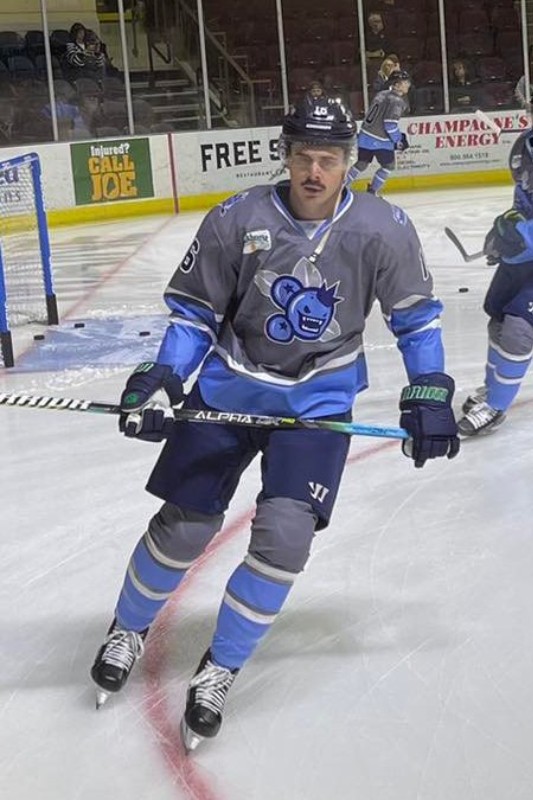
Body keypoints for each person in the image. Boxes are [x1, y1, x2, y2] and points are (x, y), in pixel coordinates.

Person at [90, 97, 460, 752]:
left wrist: (428, 390)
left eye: (328, 160)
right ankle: (128, 628)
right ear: (284, 156)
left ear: (349, 162)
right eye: (303, 157)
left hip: (317, 405)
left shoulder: (383, 228)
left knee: (285, 539)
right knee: (184, 526)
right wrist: (164, 377)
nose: (314, 172)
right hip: (229, 389)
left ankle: (221, 666)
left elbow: (415, 318)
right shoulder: (238, 217)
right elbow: (195, 314)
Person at [458, 129, 533, 436]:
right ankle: (493, 389)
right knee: (499, 317)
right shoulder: (527, 148)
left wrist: (518, 240)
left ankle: (496, 406)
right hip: (525, 266)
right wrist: (504, 233)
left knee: (520, 328)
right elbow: (522, 208)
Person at [347, 69, 411, 195]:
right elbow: (389, 124)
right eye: (405, 82)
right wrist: (398, 140)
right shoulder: (397, 101)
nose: (408, 84)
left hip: (364, 135)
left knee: (362, 163)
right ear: (396, 85)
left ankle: (341, 187)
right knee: (389, 166)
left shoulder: (381, 94)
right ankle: (373, 191)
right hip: (380, 139)